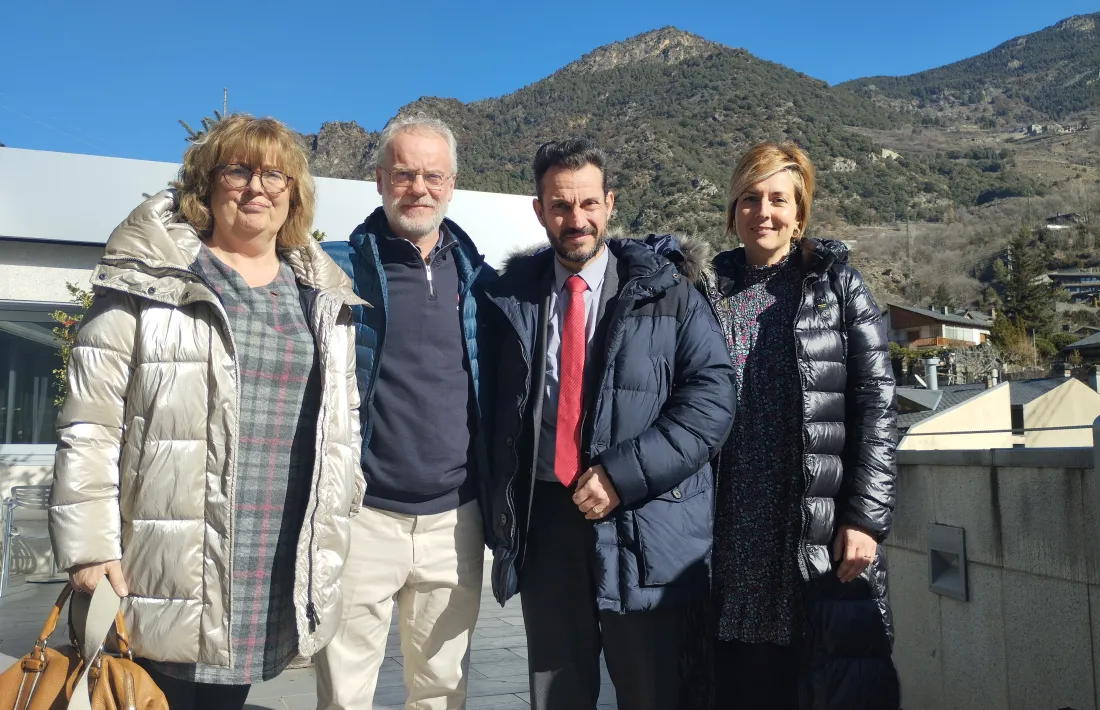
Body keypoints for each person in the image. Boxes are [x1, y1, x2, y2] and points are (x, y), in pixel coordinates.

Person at [48, 114, 367, 710]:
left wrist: (343, 502)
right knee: (143, 695)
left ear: (294, 194)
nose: (256, 187)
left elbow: (340, 422)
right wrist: (90, 548)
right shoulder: (150, 280)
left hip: (267, 556)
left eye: (275, 174)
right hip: (162, 557)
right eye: (238, 169)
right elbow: (91, 422)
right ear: (207, 184)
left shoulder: (322, 296)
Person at [485, 139, 736, 710]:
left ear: (610, 203)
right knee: (558, 691)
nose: (577, 220)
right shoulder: (509, 298)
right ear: (538, 209)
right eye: (560, 206)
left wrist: (620, 475)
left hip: (642, 521)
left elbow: (713, 399)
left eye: (588, 204)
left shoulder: (669, 292)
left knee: (648, 691)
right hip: (545, 522)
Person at [700, 141, 899, 709]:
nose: (763, 212)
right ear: (732, 210)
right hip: (730, 530)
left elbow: (877, 406)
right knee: (738, 682)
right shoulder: (706, 292)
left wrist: (864, 519)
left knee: (820, 680)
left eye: (777, 199)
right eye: (750, 198)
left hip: (813, 524)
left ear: (799, 212)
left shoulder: (837, 288)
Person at [316, 115, 494, 710]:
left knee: (442, 690)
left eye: (433, 175)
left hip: (454, 520)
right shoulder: (333, 271)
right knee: (344, 690)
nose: (418, 188)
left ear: (451, 184)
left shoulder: (481, 280)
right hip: (362, 516)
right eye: (404, 173)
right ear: (379, 179)